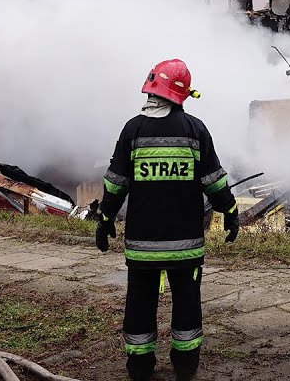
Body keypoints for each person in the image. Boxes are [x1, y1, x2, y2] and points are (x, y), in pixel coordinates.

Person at [96, 59, 240, 381]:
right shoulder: (195, 130)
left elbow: (116, 183)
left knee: (139, 305)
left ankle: (140, 366)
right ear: (182, 92)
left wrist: (105, 217)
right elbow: (214, 181)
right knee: (187, 304)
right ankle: (186, 366)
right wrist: (229, 211)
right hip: (185, 247)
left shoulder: (132, 130)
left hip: (142, 247)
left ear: (151, 87)